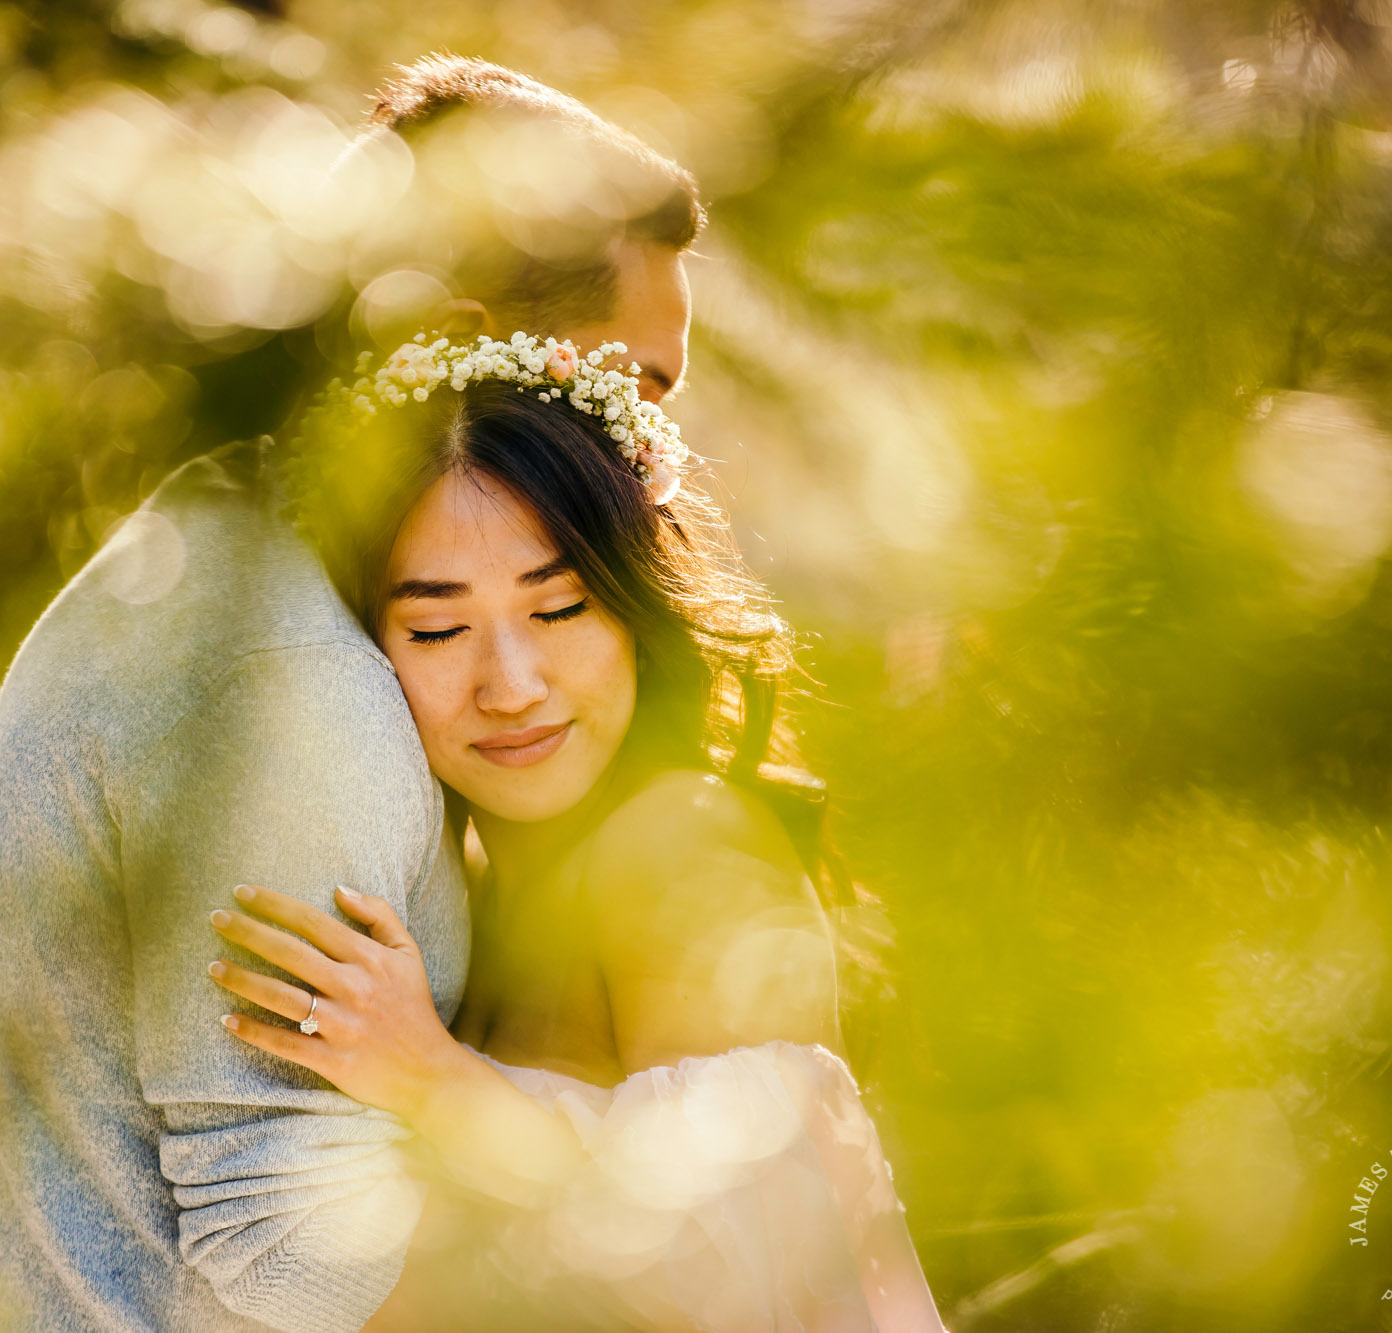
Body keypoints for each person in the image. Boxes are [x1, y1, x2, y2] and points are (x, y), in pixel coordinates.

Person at [0, 57, 700, 1332]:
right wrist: (683, 1260)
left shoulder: (239, 545)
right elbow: (288, 1248)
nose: (651, 473)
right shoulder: (287, 682)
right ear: (458, 345)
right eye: (626, 393)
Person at [206, 334, 951, 1331]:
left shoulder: (677, 839)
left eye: (558, 608)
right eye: (436, 630)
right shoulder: (466, 891)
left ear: (633, 604)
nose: (510, 686)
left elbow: (745, 1263)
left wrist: (432, 1077)